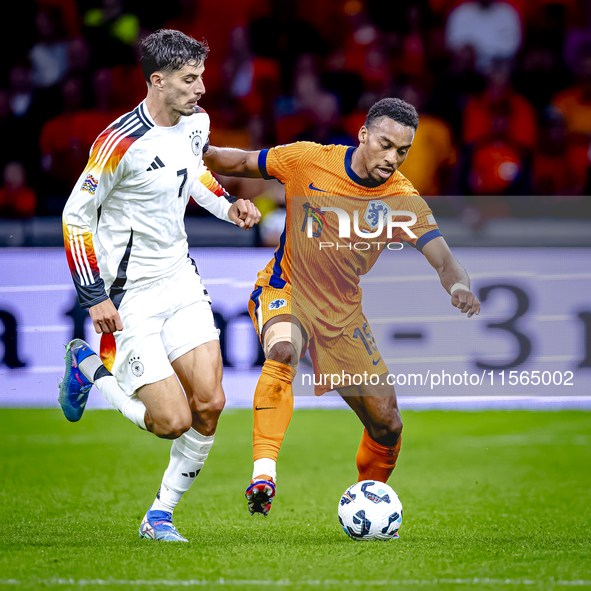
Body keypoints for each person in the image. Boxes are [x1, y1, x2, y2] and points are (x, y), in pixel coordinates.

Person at [204, 97, 481, 518]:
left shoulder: (402, 200)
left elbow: (442, 256)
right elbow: (241, 161)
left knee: (387, 425)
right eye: (385, 145)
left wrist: (458, 282)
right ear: (364, 135)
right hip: (287, 287)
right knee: (283, 350)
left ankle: (367, 503)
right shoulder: (307, 160)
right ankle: (264, 474)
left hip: (343, 316)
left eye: (403, 151)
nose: (393, 158)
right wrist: (190, 149)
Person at [58, 29, 260, 542]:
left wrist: (228, 204)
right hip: (130, 296)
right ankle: (87, 367)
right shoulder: (116, 143)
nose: (201, 89)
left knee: (211, 404)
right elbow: (75, 216)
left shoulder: (197, 123)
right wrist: (94, 294)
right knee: (171, 420)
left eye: (201, 77)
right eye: (190, 80)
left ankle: (160, 515)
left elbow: (194, 175)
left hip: (180, 280)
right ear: (158, 81)